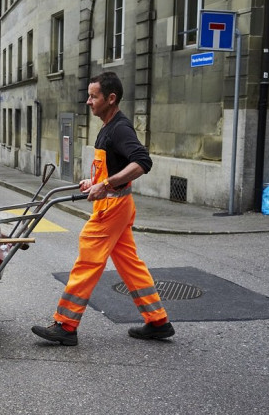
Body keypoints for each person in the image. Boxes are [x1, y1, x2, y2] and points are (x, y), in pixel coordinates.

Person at [31, 72, 174, 346]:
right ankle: (158, 321)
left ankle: (66, 325)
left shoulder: (120, 128)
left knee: (87, 260)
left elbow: (142, 162)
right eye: (89, 96)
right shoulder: (107, 127)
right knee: (130, 264)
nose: (88, 101)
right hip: (116, 205)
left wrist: (106, 184)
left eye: (93, 96)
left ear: (111, 98)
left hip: (112, 207)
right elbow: (113, 166)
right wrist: (94, 182)